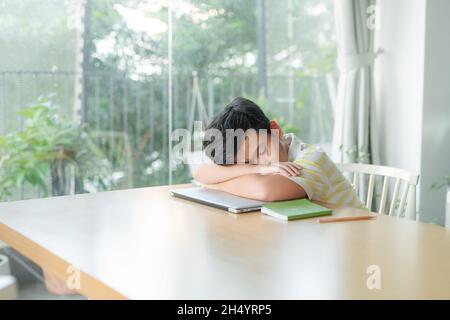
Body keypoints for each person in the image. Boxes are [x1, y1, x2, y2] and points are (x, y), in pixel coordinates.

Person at [193, 97, 365, 209]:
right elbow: (199, 171)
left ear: (275, 130)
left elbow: (266, 191)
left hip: (357, 237)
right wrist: (254, 170)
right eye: (246, 162)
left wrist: (214, 185)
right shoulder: (259, 167)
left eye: (261, 151)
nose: (263, 164)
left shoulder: (312, 159)